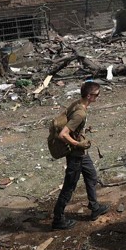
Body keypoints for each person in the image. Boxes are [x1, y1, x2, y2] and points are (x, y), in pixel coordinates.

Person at [47, 81, 108, 230]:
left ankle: (95, 207)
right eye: (97, 95)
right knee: (69, 186)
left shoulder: (77, 104)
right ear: (89, 96)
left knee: (92, 176)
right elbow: (63, 134)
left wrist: (81, 133)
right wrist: (78, 144)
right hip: (76, 155)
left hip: (82, 154)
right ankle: (58, 219)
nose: (98, 97)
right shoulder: (80, 113)